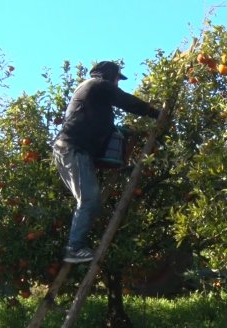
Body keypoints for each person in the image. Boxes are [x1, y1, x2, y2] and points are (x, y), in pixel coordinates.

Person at [53, 61, 159, 263]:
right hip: (72, 149)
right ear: (109, 75)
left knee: (90, 199)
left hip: (77, 150)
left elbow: (97, 123)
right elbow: (128, 102)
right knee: (89, 199)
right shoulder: (97, 85)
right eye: (118, 78)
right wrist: (155, 112)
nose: (118, 83)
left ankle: (75, 246)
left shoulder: (94, 95)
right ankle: (73, 248)